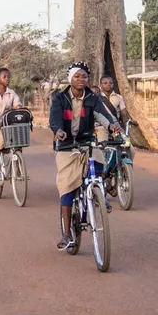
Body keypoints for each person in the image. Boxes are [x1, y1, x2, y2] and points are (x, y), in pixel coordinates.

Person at [49, 63, 120, 250]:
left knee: (98, 161)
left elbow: (103, 115)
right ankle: (67, 234)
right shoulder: (60, 98)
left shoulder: (92, 98)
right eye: (77, 76)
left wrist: (112, 126)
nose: (81, 79)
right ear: (70, 79)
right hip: (66, 145)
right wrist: (58, 131)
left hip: (86, 141)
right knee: (67, 187)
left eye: (84, 76)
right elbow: (54, 120)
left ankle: (99, 193)